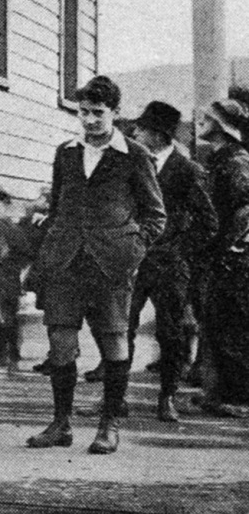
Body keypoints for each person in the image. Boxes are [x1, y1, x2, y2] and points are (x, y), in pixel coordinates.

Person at [26, 75, 165, 455]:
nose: (89, 120)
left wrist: (129, 251)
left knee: (114, 343)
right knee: (60, 344)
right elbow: (57, 207)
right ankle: (61, 424)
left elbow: (155, 215)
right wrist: (52, 246)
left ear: (115, 114)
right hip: (65, 263)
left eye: (98, 113)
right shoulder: (66, 152)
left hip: (110, 267)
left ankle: (109, 425)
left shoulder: (135, 155)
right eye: (83, 112)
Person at [115, 101, 214, 422]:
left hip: (170, 266)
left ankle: (167, 397)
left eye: (141, 129)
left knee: (171, 333)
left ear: (158, 135)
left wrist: (180, 250)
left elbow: (208, 222)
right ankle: (116, 398)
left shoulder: (188, 171)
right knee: (119, 329)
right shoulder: (127, 163)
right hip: (131, 262)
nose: (135, 132)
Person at [194, 97, 249, 417]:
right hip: (221, 256)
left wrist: (231, 247)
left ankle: (238, 397)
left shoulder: (236, 161)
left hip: (234, 260)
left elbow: (245, 208)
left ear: (221, 126)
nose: (201, 120)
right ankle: (219, 392)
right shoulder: (220, 159)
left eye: (207, 117)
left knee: (233, 326)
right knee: (215, 323)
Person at [0, 182, 35, 370]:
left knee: (6, 319)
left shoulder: (10, 229)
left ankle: (8, 353)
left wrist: (20, 277)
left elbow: (26, 256)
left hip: (6, 279)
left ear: (4, 205)